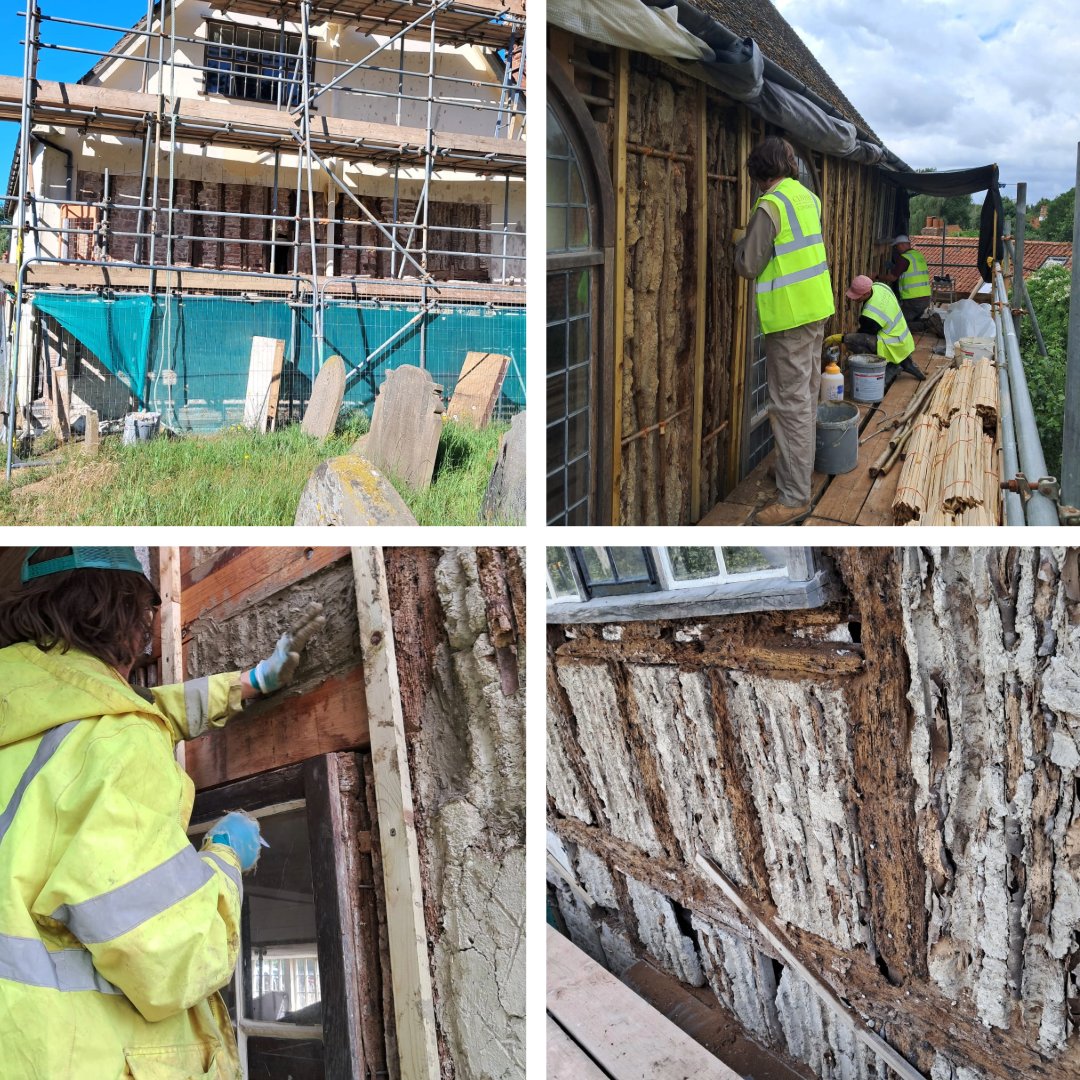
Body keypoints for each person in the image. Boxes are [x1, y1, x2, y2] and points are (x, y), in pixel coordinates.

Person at [0, 547, 326, 1080]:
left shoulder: (28, 705)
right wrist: (222, 856)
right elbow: (176, 958)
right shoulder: (112, 743)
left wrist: (248, 684)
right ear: (126, 618)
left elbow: (127, 710)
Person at [735, 135, 835, 526]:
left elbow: (748, 265)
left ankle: (795, 496)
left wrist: (738, 244)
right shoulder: (807, 198)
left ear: (759, 174)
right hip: (815, 311)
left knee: (790, 405)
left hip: (791, 319)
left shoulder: (770, 205)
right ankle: (793, 469)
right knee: (805, 398)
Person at [841, 274, 924, 388]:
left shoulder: (870, 315)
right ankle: (905, 363)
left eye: (857, 296)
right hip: (903, 337)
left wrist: (842, 338)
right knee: (898, 354)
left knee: (852, 340)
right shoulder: (881, 286)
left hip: (891, 344)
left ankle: (889, 367)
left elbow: (864, 335)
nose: (854, 299)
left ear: (866, 293)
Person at [882, 234, 933, 329]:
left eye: (897, 247)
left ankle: (928, 324)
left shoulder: (904, 258)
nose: (897, 250)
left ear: (902, 245)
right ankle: (927, 321)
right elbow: (911, 271)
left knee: (898, 324)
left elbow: (893, 278)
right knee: (910, 319)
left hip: (913, 300)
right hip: (925, 298)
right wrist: (895, 267)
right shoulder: (918, 255)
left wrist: (877, 276)